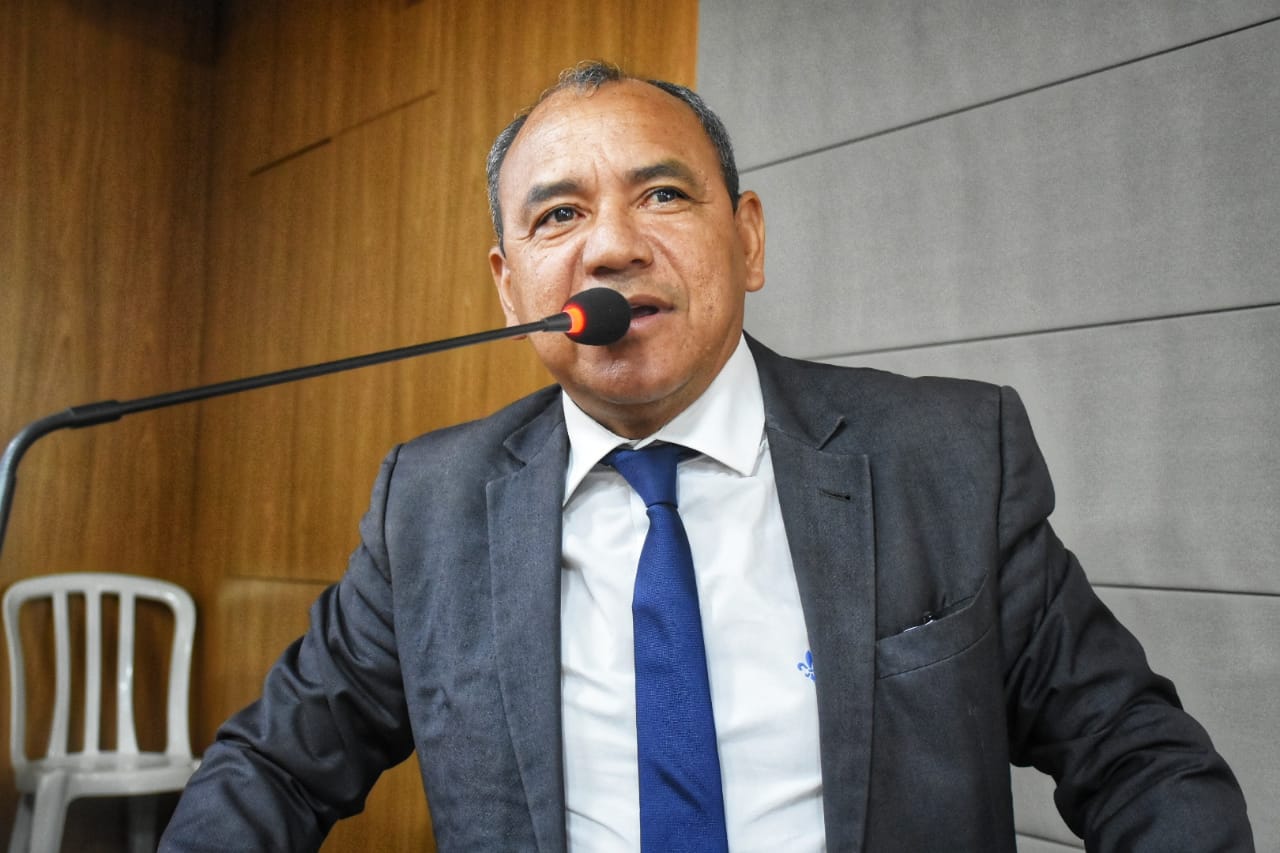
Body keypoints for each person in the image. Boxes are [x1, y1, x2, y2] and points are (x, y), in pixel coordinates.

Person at [161, 62, 1253, 852]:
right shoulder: (428, 506)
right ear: (509, 284)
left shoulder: (948, 458)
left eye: (663, 194)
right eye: (558, 215)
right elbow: (272, 768)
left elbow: (1138, 757)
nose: (611, 244)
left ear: (748, 239)